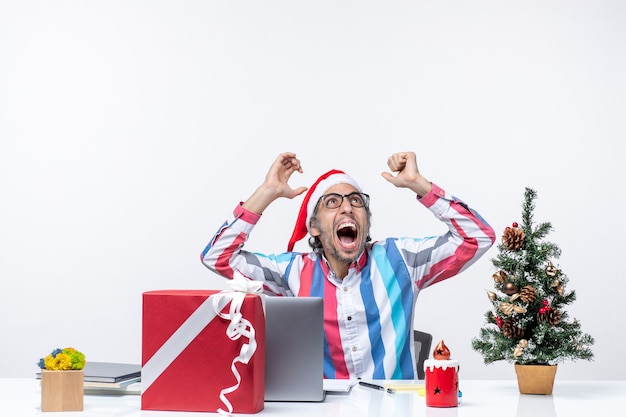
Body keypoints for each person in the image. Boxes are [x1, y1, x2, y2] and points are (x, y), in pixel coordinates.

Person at [201, 151, 495, 380]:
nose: (346, 207)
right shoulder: (292, 272)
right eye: (332, 202)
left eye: (356, 201)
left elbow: (478, 237)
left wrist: (419, 185)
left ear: (365, 220)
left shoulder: (401, 260)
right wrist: (267, 191)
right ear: (314, 227)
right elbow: (217, 257)